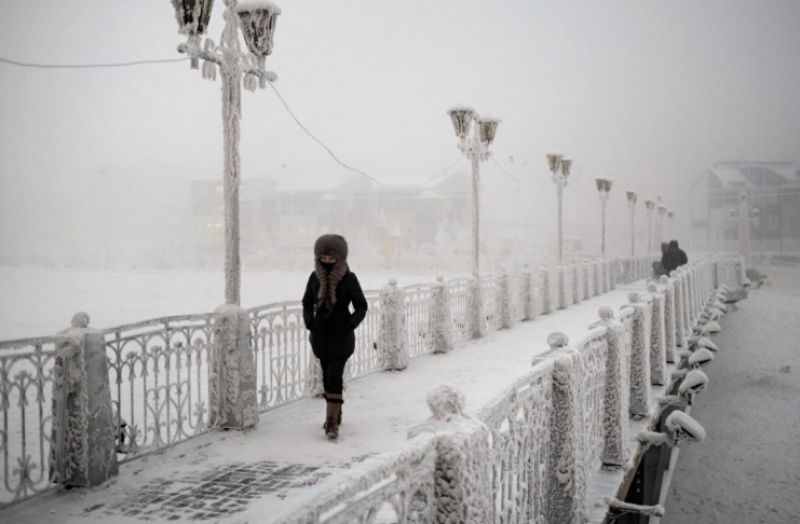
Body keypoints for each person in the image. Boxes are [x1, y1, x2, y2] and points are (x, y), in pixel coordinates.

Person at [302, 234, 368, 440]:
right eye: (324, 257)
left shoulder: (349, 279)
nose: (327, 261)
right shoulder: (314, 278)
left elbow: (361, 306)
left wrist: (349, 324)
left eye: (332, 258)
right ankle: (336, 413)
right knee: (326, 377)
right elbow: (306, 302)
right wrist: (310, 322)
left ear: (340, 257)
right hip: (321, 337)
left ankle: (331, 423)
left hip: (341, 337)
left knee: (334, 376)